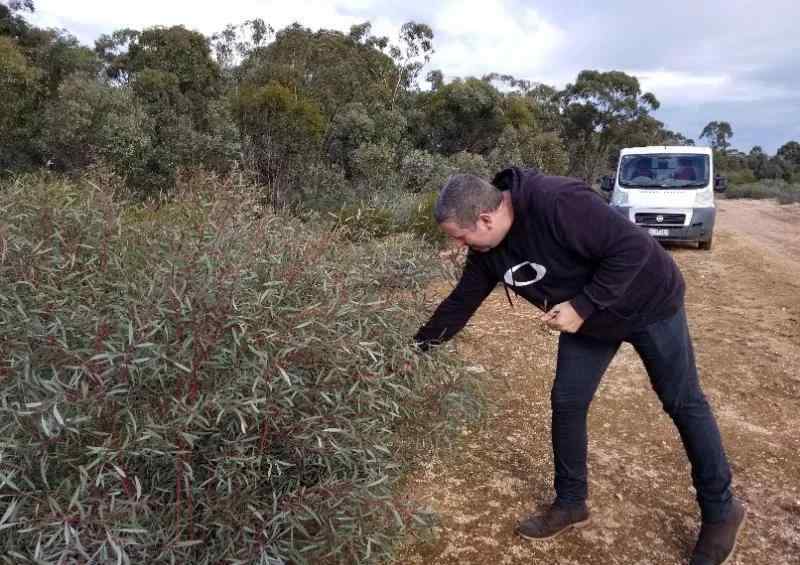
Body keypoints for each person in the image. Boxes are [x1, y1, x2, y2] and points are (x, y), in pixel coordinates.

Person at [413, 168, 746, 565]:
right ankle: (571, 502)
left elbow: (633, 250)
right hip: (590, 321)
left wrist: (581, 306)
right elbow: (459, 303)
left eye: (460, 236)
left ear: (485, 219)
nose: (459, 245)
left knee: (682, 401)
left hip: (648, 303)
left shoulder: (557, 201)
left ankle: (722, 510)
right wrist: (415, 352)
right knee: (568, 402)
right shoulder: (487, 251)